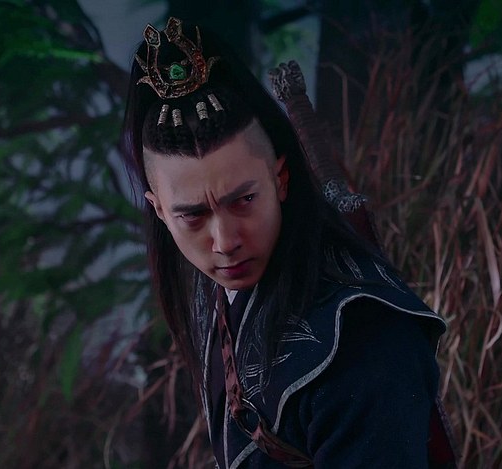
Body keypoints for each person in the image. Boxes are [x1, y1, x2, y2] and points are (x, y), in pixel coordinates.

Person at [121, 17, 451, 468]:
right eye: (193, 215)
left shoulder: (365, 344)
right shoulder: (218, 285)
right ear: (160, 211)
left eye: (244, 201)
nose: (225, 241)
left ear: (280, 178)